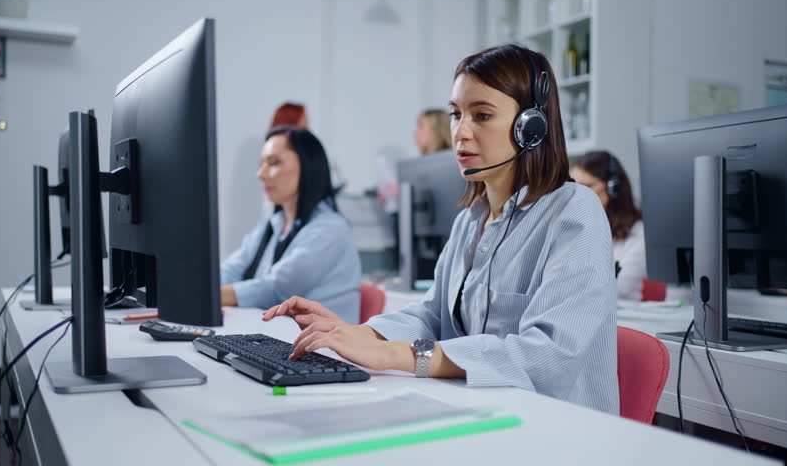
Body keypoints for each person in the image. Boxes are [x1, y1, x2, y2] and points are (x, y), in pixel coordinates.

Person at [263, 45, 619, 414]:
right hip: (486, 412)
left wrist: (393, 354)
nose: (460, 132)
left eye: (481, 115)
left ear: (530, 127)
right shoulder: (471, 220)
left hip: (558, 430)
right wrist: (357, 334)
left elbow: (547, 356)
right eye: (455, 114)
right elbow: (433, 315)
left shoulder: (574, 211)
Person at [221, 127, 361, 324]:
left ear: (307, 167)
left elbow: (276, 289)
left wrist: (206, 295)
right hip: (281, 338)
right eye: (261, 164)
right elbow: (233, 269)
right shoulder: (272, 224)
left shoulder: (330, 229)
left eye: (274, 163)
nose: (261, 174)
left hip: (324, 348)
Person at [571, 151, 646, 300]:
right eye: (573, 186)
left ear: (614, 189)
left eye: (586, 186)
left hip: (623, 318)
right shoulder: (572, 230)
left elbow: (618, 288)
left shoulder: (639, 234)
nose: (578, 195)